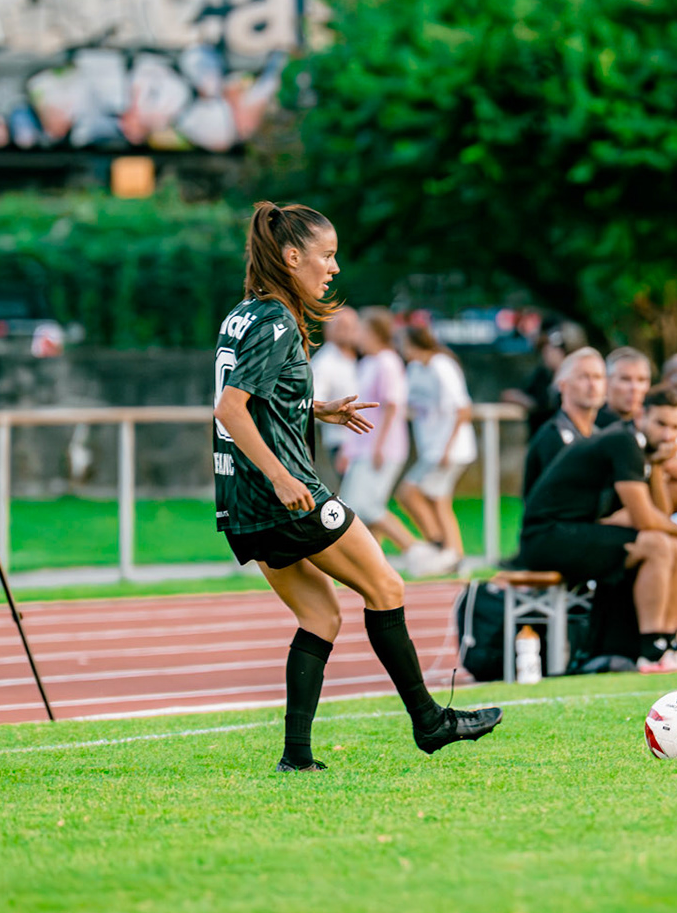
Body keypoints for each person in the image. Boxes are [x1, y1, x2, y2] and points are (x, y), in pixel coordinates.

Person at [211, 201, 500, 772]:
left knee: (321, 617)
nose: (334, 268)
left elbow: (254, 397)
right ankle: (430, 722)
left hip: (239, 501)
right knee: (386, 587)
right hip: (284, 495)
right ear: (292, 257)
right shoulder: (275, 321)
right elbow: (230, 408)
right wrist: (282, 474)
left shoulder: (243, 313)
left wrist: (313, 408)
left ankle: (297, 757)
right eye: (327, 255)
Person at [519, 388, 677, 668]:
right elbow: (645, 518)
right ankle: (652, 650)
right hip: (546, 536)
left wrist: (659, 466)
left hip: (574, 531)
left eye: (676, 428)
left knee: (672, 544)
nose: (668, 435)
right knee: (660, 545)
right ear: (641, 415)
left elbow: (657, 514)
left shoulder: (638, 447)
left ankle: (668, 644)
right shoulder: (623, 441)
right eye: (662, 424)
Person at [341, 308, 444, 573]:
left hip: (381, 447)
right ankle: (374, 565)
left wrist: (378, 445)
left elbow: (392, 406)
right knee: (360, 507)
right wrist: (349, 447)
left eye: (361, 330)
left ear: (374, 332)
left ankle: (415, 549)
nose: (357, 336)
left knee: (365, 505)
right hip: (363, 446)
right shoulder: (366, 363)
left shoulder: (388, 362)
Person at [397, 324, 478, 569]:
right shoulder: (414, 369)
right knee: (439, 499)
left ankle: (438, 544)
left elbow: (463, 409)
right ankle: (453, 553)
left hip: (448, 448)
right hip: (431, 447)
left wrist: (447, 446)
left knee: (408, 492)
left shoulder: (441, 365)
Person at [522, 346, 606, 498]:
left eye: (598, 377)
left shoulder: (599, 436)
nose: (592, 385)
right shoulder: (552, 437)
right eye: (583, 377)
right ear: (563, 385)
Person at [504, 322, 583, 439]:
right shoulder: (543, 375)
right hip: (541, 439)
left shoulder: (580, 378)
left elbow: (550, 407)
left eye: (549, 349)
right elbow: (512, 394)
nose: (545, 354)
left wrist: (532, 404)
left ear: (563, 350)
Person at [309, 306, 361, 463]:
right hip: (342, 442)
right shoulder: (324, 363)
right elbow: (313, 404)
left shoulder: (360, 357)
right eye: (341, 327)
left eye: (352, 326)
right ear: (327, 330)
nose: (348, 331)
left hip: (365, 443)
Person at [595, 346, 652, 427]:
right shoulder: (590, 426)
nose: (634, 387)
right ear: (606, 381)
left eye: (641, 380)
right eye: (625, 379)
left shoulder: (656, 427)